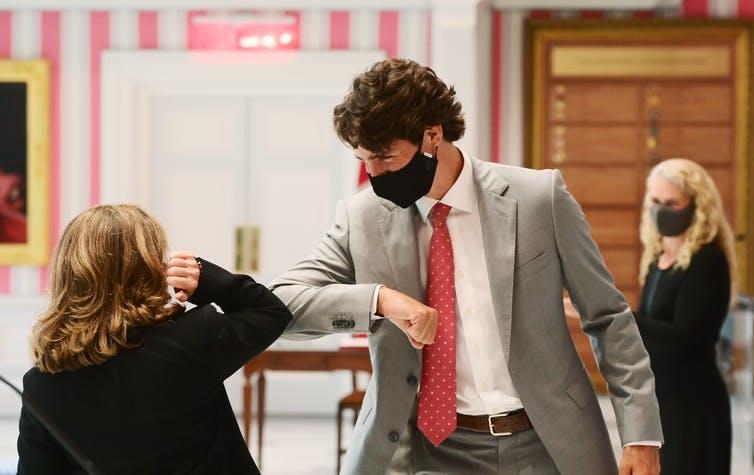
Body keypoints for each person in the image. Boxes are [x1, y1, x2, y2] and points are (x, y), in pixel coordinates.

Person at [268, 58, 663, 474]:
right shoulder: (363, 218)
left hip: (547, 443)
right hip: (426, 451)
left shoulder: (538, 199)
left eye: (385, 157)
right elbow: (281, 304)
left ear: (432, 135)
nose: (373, 173)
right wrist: (381, 300)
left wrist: (640, 434)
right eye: (363, 159)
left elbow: (608, 317)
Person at [17, 204, 292, 474]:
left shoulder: (42, 384)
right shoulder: (192, 339)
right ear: (148, 267)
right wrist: (205, 279)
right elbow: (271, 312)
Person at [634, 159, 736, 475]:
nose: (661, 210)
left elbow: (687, 339)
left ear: (696, 205)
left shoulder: (708, 260)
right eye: (655, 201)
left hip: (695, 406)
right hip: (661, 401)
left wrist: (619, 316)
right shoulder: (655, 259)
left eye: (672, 203)